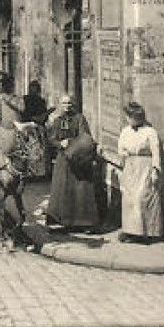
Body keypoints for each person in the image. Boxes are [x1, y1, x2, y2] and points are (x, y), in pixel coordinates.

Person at [45, 94, 99, 233]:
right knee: (63, 190)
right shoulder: (56, 121)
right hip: (63, 160)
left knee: (81, 190)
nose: (67, 106)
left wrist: (73, 143)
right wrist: (59, 143)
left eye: (69, 103)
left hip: (78, 159)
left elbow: (85, 136)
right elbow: (51, 139)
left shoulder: (79, 118)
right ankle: (63, 222)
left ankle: (83, 222)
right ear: (60, 105)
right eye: (64, 104)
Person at [117, 101, 163, 243]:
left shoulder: (150, 132)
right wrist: (123, 158)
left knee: (143, 199)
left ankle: (148, 233)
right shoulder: (125, 131)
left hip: (145, 167)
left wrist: (155, 170)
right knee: (130, 201)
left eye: (131, 117)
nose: (128, 120)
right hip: (130, 167)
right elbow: (120, 149)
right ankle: (131, 232)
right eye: (128, 117)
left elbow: (156, 152)